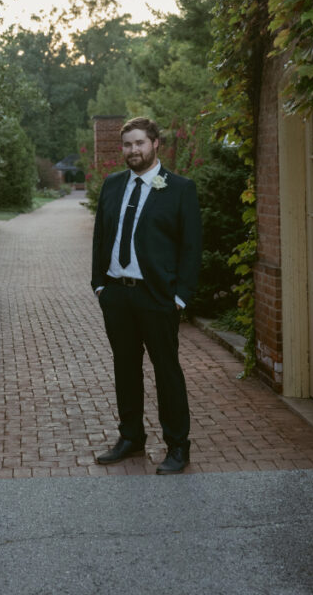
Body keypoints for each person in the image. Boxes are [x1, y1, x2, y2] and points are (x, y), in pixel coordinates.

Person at [91, 117, 202, 474]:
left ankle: (177, 447)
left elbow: (191, 248)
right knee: (125, 368)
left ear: (156, 143)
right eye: (127, 144)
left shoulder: (179, 188)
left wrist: (180, 296)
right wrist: (100, 285)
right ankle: (131, 438)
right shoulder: (111, 185)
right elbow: (101, 237)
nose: (133, 150)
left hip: (157, 297)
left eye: (139, 143)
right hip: (117, 295)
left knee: (167, 371)